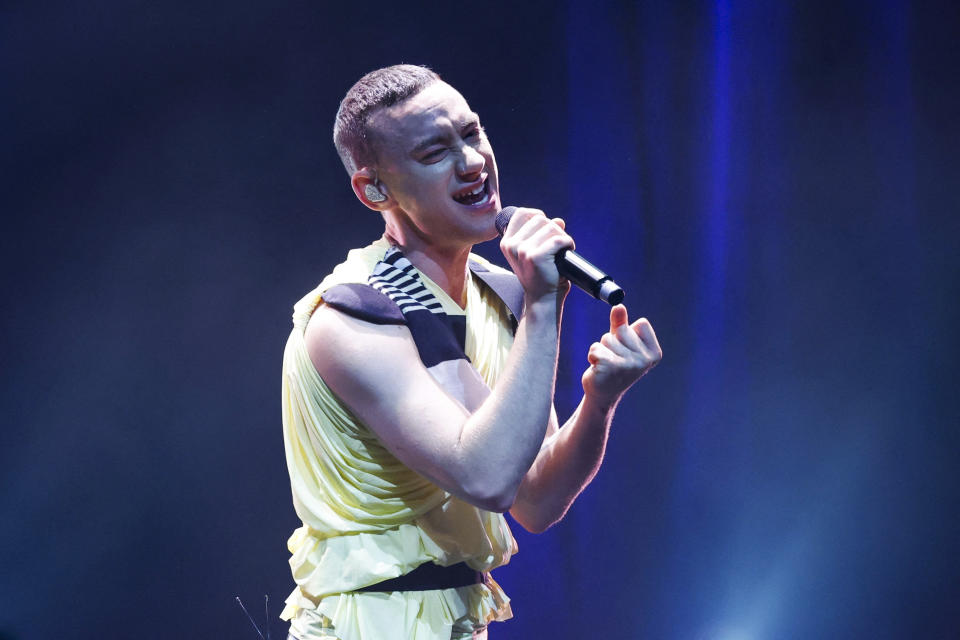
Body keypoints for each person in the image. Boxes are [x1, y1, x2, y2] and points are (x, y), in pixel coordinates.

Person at [280, 64, 662, 640]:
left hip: (460, 620)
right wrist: (541, 307)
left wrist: (598, 402)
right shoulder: (351, 319)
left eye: (472, 133)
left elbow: (534, 497)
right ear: (375, 189)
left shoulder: (496, 290)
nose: (473, 161)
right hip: (370, 624)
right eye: (436, 152)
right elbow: (485, 478)